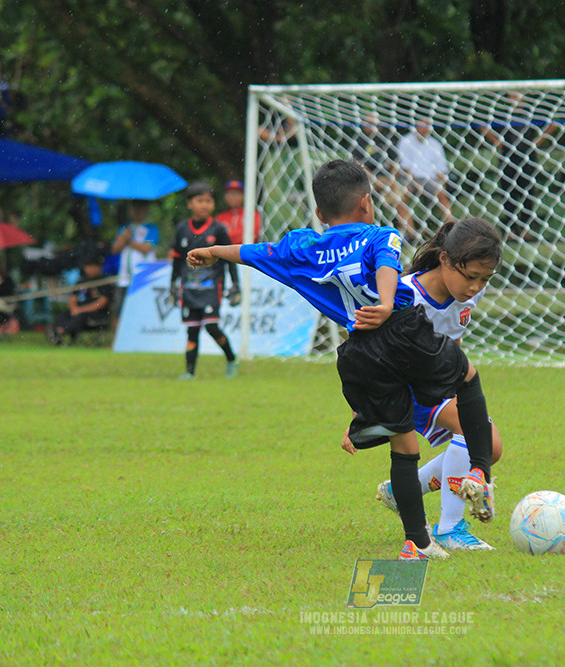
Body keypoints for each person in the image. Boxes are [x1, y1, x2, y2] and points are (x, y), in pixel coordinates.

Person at [186, 159, 496, 560]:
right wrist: (386, 305)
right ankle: (479, 474)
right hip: (400, 330)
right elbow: (386, 268)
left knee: (403, 447)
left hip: (358, 352)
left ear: (319, 213)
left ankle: (416, 543)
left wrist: (213, 251)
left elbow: (256, 252)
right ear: (367, 202)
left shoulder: (303, 248)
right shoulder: (380, 235)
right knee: (468, 379)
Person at [341, 218, 505, 551]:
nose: (475, 287)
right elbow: (367, 357)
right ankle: (450, 528)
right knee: (471, 433)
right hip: (405, 390)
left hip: (437, 383)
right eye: (471, 277)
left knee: (491, 448)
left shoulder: (469, 292)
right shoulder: (404, 295)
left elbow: (450, 345)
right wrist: (362, 412)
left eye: (485, 279)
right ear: (445, 260)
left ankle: (406, 489)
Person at [170, 182, 240, 379]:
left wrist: (236, 285)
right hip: (189, 288)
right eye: (199, 201)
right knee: (192, 330)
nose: (204, 205)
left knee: (211, 326)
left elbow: (231, 257)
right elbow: (176, 260)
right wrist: (172, 286)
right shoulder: (182, 229)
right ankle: (189, 372)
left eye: (208, 201)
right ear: (189, 204)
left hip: (212, 287)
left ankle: (231, 358)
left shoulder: (218, 229)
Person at [482, 92, 558, 242]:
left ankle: (525, 229)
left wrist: (537, 142)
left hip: (527, 156)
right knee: (509, 192)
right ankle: (511, 229)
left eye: (517, 95)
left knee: (527, 192)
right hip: (508, 156)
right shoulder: (502, 114)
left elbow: (553, 123)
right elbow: (482, 125)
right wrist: (498, 143)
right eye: (511, 96)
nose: (515, 99)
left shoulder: (532, 112)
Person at [351, 114, 411, 241]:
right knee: (366, 197)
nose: (372, 127)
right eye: (369, 123)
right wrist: (375, 180)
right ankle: (366, 234)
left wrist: (392, 178)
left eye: (374, 124)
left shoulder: (384, 139)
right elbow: (359, 165)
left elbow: (395, 162)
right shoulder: (360, 141)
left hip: (389, 180)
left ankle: (408, 233)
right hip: (368, 181)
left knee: (401, 197)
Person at [396, 118, 453, 240]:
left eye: (426, 126)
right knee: (401, 197)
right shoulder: (406, 142)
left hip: (430, 179)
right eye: (421, 126)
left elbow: (441, 171)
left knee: (442, 194)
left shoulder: (435, 144)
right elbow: (405, 167)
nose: (423, 129)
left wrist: (442, 185)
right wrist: (416, 183)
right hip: (411, 178)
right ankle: (411, 234)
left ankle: (450, 230)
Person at [111, 200, 159, 329]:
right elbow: (115, 249)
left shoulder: (150, 228)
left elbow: (147, 248)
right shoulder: (124, 228)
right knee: (119, 309)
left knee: (142, 309)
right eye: (135, 208)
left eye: (141, 209)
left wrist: (129, 241)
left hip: (143, 277)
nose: (137, 212)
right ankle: (116, 342)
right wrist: (123, 237)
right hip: (124, 277)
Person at [48, 255, 112, 345]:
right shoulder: (81, 282)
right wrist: (74, 308)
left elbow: (102, 303)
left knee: (81, 316)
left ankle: (61, 332)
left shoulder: (104, 282)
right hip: (79, 310)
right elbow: (73, 298)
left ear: (100, 267)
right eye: (88, 266)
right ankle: (57, 330)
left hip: (95, 313)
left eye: (94, 266)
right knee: (64, 314)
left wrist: (81, 310)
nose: (91, 269)